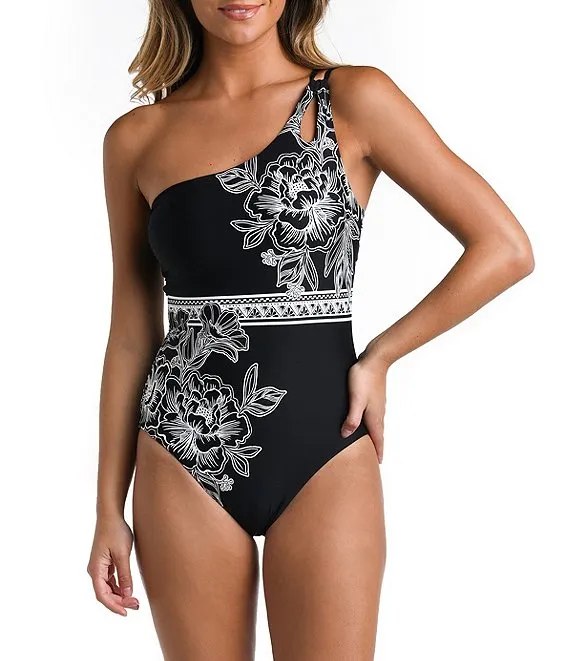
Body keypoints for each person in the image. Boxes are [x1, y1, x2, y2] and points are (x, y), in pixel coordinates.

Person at [87, 1, 534, 659]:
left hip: (326, 448)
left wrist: (381, 356)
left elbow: (505, 248)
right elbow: (131, 333)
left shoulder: (351, 100)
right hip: (180, 454)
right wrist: (107, 507)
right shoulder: (136, 138)